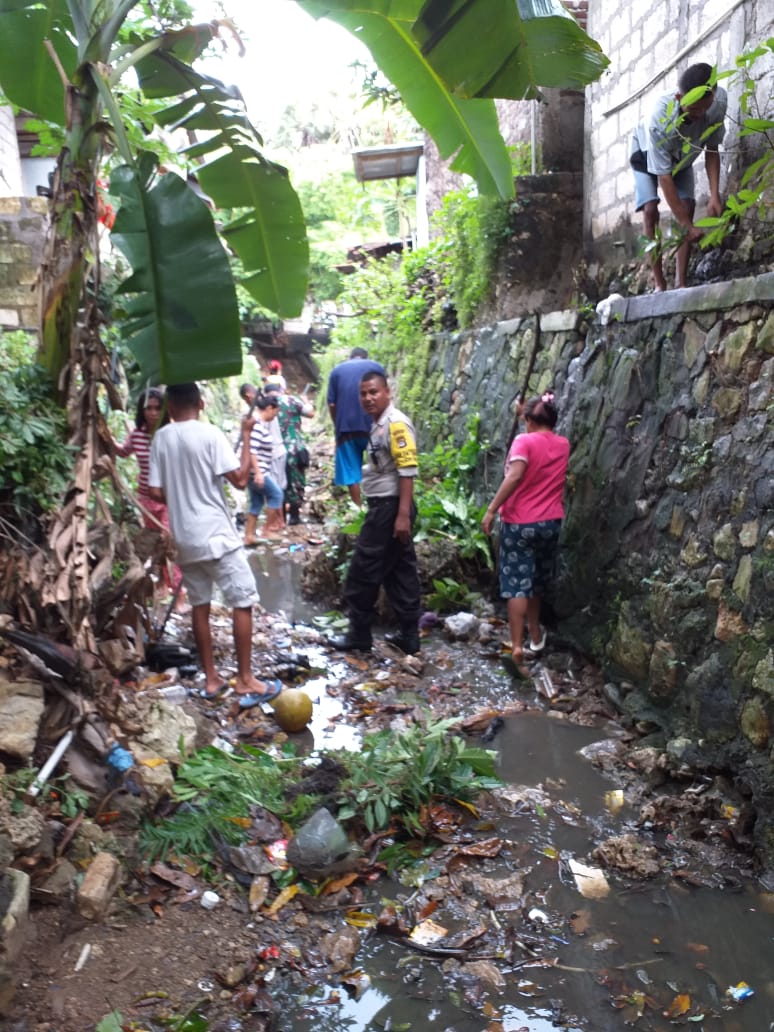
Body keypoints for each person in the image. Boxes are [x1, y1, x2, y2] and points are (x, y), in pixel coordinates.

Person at [148, 382, 281, 705]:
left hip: (185, 539)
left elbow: (155, 492)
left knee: (200, 605)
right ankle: (246, 680)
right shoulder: (210, 435)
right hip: (216, 535)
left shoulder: (161, 438)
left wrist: (181, 497)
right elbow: (238, 479)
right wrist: (246, 435)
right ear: (202, 403)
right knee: (243, 599)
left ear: (171, 407)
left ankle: (211, 679)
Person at [330, 371, 421, 654]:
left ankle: (359, 634)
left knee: (363, 570)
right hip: (387, 506)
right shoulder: (377, 425)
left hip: (389, 508)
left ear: (387, 392)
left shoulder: (396, 424)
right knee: (399, 570)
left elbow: (407, 471)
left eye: (374, 392)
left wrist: (402, 515)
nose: (368, 398)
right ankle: (409, 636)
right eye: (363, 394)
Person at [481, 392, 569, 666]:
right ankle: (535, 636)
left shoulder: (523, 441)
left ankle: (517, 646)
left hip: (520, 522)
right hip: (550, 523)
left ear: (529, 420)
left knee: (517, 584)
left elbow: (516, 475)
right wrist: (525, 411)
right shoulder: (563, 444)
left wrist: (492, 508)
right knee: (536, 582)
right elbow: (538, 429)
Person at [631, 62, 726, 291]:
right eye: (693, 110)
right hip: (646, 153)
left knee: (687, 206)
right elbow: (664, 177)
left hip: (682, 158)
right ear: (678, 97)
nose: (700, 114)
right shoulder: (659, 120)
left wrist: (714, 195)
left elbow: (712, 150)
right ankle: (659, 283)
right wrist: (687, 225)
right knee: (651, 210)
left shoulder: (718, 102)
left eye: (705, 108)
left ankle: (680, 282)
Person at [113, 387, 184, 604]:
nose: (152, 413)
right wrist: (104, 435)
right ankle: (163, 584)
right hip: (146, 499)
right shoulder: (138, 435)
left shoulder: (172, 434)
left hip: (169, 499)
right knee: (156, 543)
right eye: (148, 409)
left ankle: (179, 593)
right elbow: (123, 452)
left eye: (157, 408)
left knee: (168, 542)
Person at [326, 347, 385, 505]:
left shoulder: (337, 371)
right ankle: (378, 504)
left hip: (346, 429)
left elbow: (332, 404)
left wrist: (336, 424)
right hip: (374, 425)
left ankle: (359, 509)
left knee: (352, 473)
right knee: (381, 466)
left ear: (350, 357)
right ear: (365, 357)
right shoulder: (376, 367)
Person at [264, 383, 313, 525]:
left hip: (275, 451)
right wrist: (305, 401)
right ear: (280, 390)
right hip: (295, 448)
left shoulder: (266, 406)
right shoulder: (291, 400)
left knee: (278, 482)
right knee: (296, 481)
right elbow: (310, 413)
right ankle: (295, 515)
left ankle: (281, 518)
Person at [245, 393, 286, 542]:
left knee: (257, 501)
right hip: (258, 471)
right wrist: (258, 473)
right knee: (277, 494)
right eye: (275, 412)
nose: (275, 416)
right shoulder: (257, 425)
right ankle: (267, 530)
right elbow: (252, 450)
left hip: (255, 471)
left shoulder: (258, 424)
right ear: (269, 408)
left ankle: (249, 535)